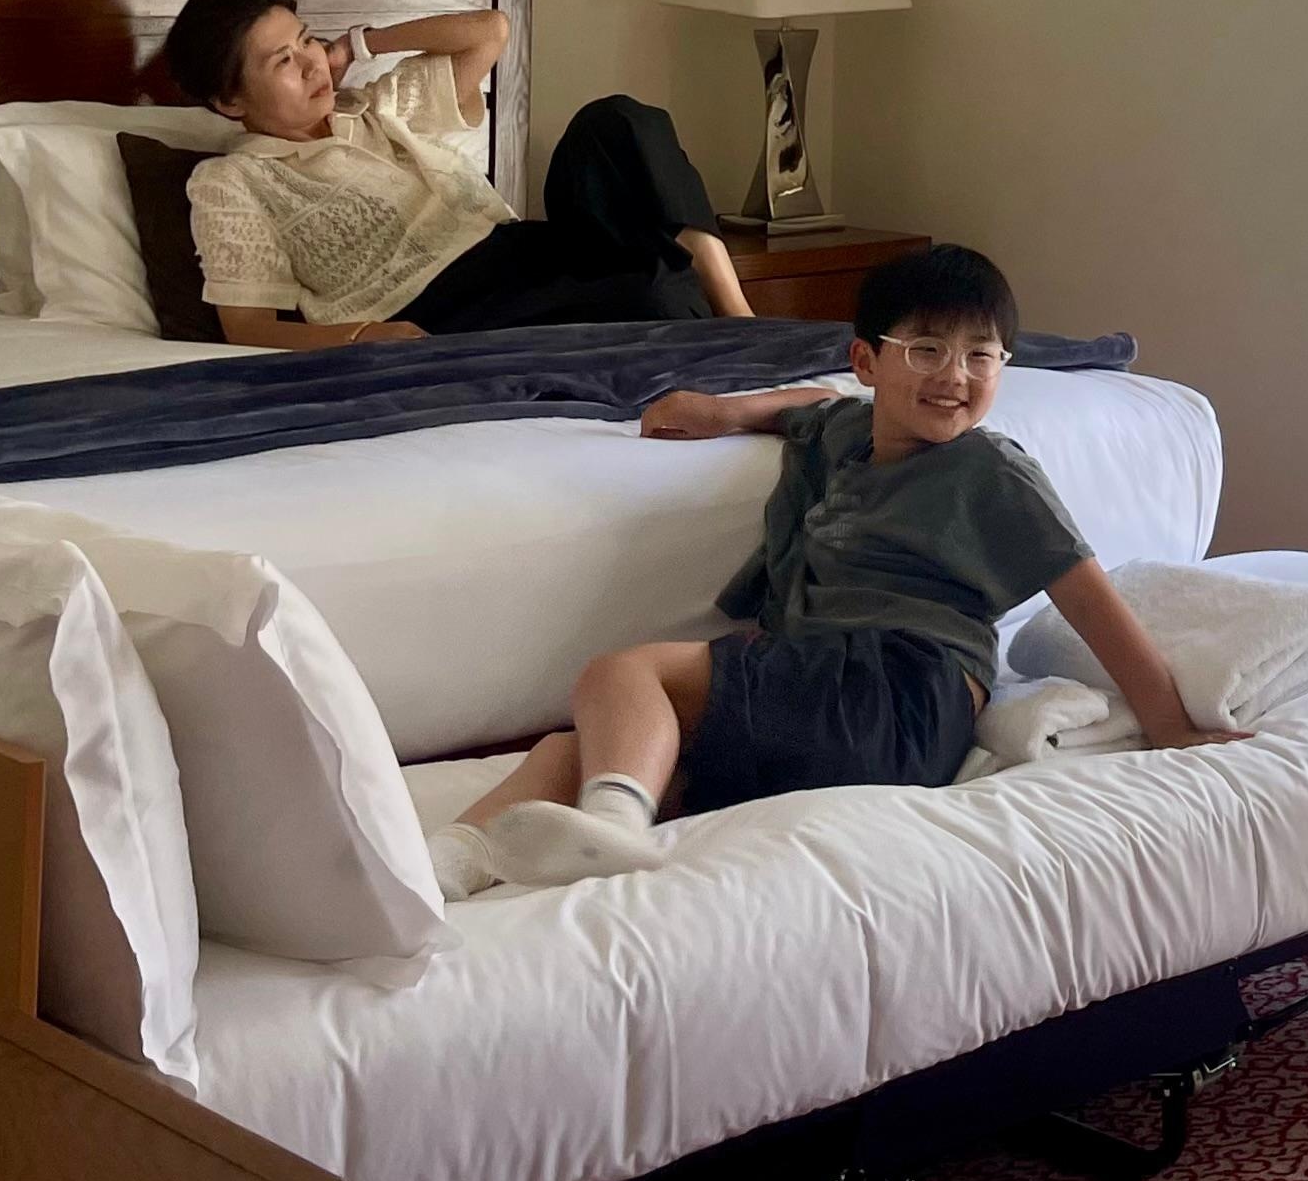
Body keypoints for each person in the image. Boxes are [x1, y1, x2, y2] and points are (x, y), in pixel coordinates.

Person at [431, 244, 1235, 893]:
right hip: (828, 695)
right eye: (926, 349)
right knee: (573, 751)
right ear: (868, 361)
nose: (955, 375)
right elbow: (812, 403)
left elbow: (1086, 593)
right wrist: (723, 409)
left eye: (981, 355)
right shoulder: (851, 431)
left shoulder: (987, 469)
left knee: (622, 675)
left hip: (901, 688)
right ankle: (447, 867)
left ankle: (613, 827)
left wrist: (1167, 722)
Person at [161, 0, 754, 349]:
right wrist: (366, 336)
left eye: (307, 39)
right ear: (229, 101)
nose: (313, 63)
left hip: (523, 250)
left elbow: (489, 31)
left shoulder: (379, 104)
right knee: (658, 295)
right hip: (443, 304)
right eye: (283, 61)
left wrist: (359, 46)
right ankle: (710, 311)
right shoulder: (233, 179)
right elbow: (247, 329)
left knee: (615, 120)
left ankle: (737, 310)